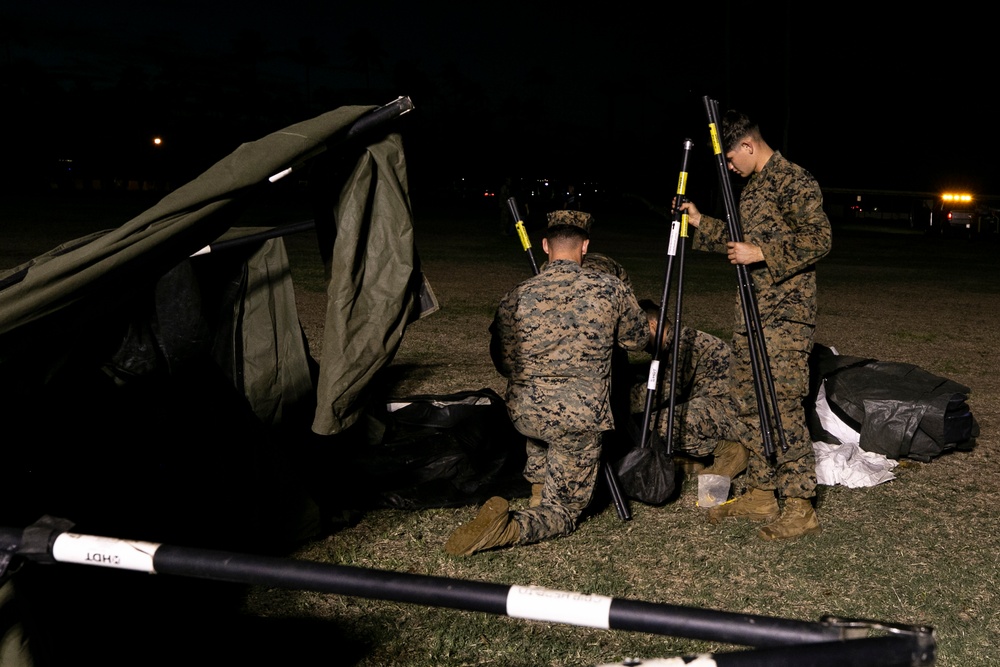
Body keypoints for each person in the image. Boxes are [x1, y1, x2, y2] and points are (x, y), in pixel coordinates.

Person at [445, 210, 650, 556]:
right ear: (584, 247)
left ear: (544, 246)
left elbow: (504, 362)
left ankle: (539, 485)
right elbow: (638, 339)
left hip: (525, 415)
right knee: (564, 511)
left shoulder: (517, 294)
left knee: (542, 421)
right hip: (577, 419)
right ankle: (511, 527)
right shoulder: (610, 288)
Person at [677, 109, 832, 540]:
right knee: (748, 401)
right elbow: (738, 239)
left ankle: (800, 506)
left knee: (780, 405)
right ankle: (763, 492)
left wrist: (761, 253)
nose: (729, 167)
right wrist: (699, 223)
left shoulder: (793, 179)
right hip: (751, 313)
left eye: (730, 158)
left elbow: (819, 238)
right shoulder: (754, 188)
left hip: (785, 316)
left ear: (748, 145)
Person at [631, 302, 749, 481]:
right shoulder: (678, 340)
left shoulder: (683, 344)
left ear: (652, 325)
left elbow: (662, 391)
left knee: (658, 422)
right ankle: (691, 456)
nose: (635, 341)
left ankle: (729, 451)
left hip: (733, 414)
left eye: (636, 333)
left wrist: (620, 400)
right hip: (721, 407)